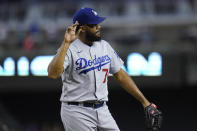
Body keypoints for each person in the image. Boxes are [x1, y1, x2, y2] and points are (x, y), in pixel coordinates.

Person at [48, 7, 160, 131]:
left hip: (102, 109)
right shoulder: (69, 49)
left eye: (98, 23)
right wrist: (65, 43)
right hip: (76, 111)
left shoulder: (104, 46)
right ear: (83, 28)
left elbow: (121, 75)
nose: (98, 27)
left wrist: (145, 102)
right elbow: (53, 74)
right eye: (94, 25)